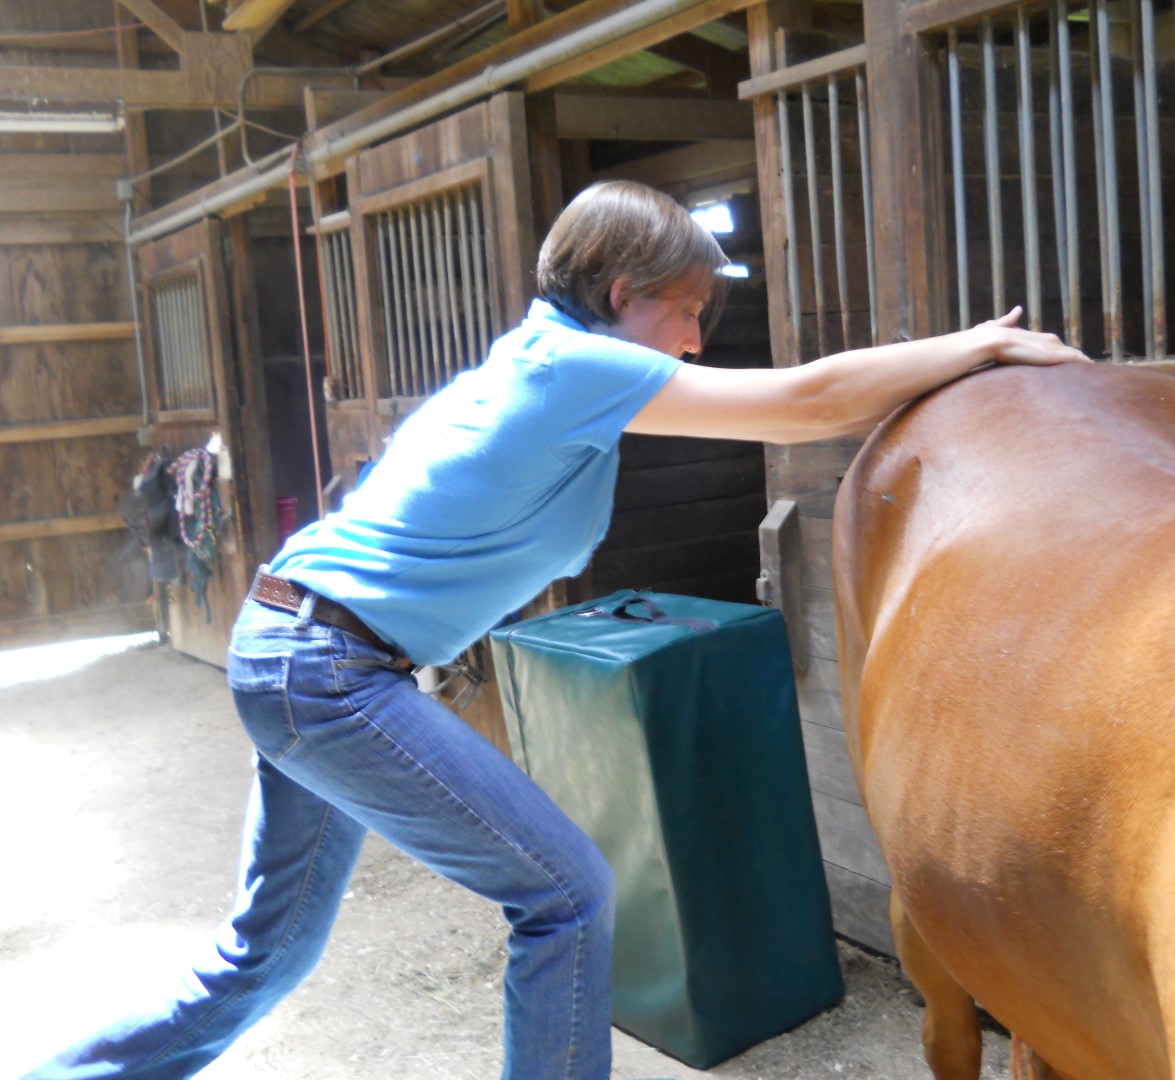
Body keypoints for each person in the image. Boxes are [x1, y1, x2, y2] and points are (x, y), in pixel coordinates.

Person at [25, 180, 1087, 1080]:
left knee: (264, 960)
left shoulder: (541, 367)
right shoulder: (574, 370)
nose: (693, 339)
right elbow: (807, 401)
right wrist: (983, 347)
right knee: (567, 895)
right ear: (621, 297)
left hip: (302, 648)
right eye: (685, 311)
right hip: (325, 666)